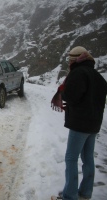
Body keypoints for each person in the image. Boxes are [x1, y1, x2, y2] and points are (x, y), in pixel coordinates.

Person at [51, 46, 107, 200]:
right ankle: (85, 192)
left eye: (70, 59)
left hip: (80, 124)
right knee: (88, 158)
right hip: (94, 124)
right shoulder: (97, 75)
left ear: (74, 60)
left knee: (71, 158)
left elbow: (71, 96)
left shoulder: (78, 73)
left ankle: (70, 195)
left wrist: (64, 91)